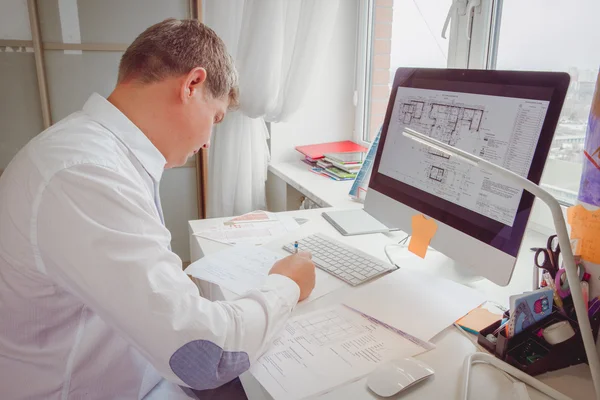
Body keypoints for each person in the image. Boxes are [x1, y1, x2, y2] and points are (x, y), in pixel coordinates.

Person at [0, 18, 315, 400]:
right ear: (192, 84)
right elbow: (202, 356)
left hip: (123, 367)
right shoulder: (85, 174)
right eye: (215, 119)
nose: (207, 141)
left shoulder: (92, 150)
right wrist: (286, 285)